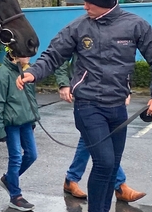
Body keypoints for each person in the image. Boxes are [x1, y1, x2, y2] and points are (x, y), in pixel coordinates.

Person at [16, 0, 152, 212]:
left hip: (118, 107)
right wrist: (33, 73)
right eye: (84, 2)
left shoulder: (135, 25)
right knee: (103, 163)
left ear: (108, 2)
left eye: (90, 2)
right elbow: (53, 55)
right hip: (88, 106)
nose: (85, 6)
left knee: (112, 166)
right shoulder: (79, 27)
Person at [55, 56, 146, 203]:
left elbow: (121, 63)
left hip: (110, 96)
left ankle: (71, 179)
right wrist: (64, 84)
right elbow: (60, 57)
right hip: (86, 95)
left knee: (90, 140)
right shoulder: (78, 32)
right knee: (96, 141)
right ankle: (119, 185)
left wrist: (125, 89)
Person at [0, 51, 40, 212]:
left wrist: (33, 118)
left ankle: (9, 179)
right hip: (11, 124)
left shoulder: (26, 72)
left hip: (25, 122)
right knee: (16, 157)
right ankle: (15, 196)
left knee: (32, 155)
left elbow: (30, 99)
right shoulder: (2, 74)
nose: (29, 56)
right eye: (26, 53)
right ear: (14, 54)